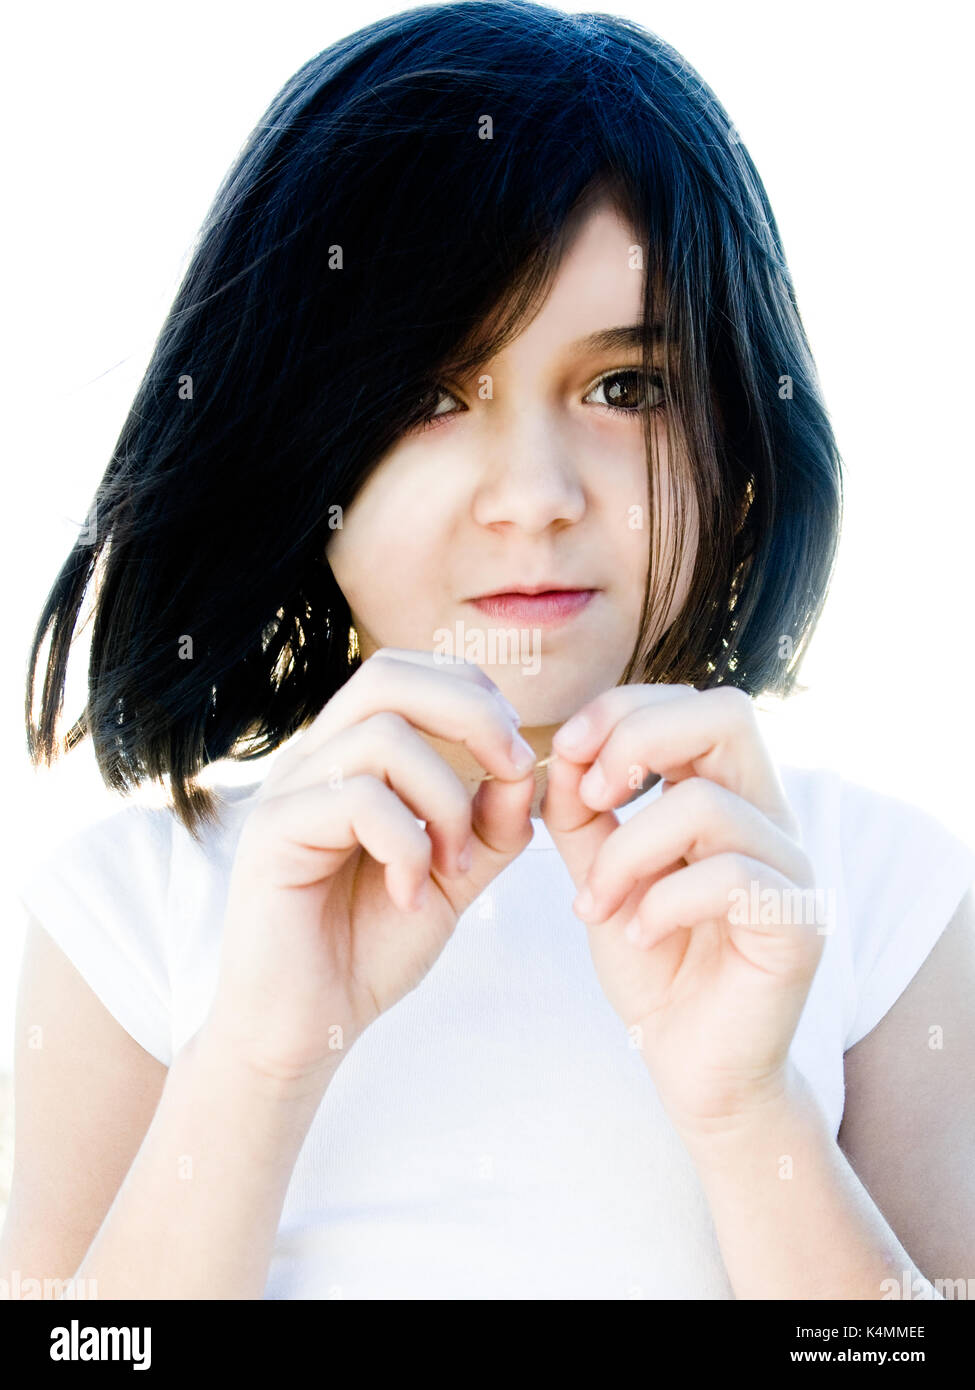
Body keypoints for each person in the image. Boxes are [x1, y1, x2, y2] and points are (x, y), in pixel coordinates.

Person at [5, 1, 974, 1300]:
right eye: (428, 393)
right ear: (298, 449)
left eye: (626, 386)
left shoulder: (873, 888)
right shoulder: (136, 906)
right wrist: (255, 1062)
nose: (534, 492)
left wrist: (754, 1115)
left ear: (741, 442)